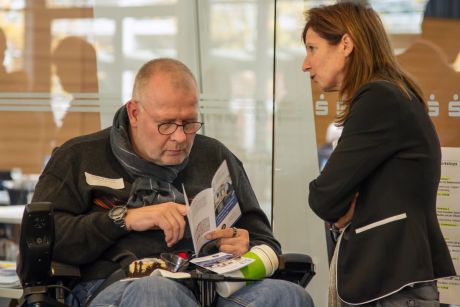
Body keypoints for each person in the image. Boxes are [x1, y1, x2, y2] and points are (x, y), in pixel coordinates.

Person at [29, 58, 314, 307]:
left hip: (209, 287)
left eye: (189, 123)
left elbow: (265, 242)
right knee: (158, 293)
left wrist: (247, 246)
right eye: (166, 124)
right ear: (135, 113)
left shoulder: (214, 157)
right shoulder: (80, 157)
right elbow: (42, 243)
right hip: (117, 286)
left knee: (288, 296)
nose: (179, 137)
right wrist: (124, 219)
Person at [302, 2, 455, 307]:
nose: (305, 64)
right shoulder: (391, 93)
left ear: (345, 44)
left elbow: (323, 197)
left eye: (312, 48)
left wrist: (342, 205)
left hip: (390, 284)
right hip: (393, 281)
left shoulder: (379, 99)